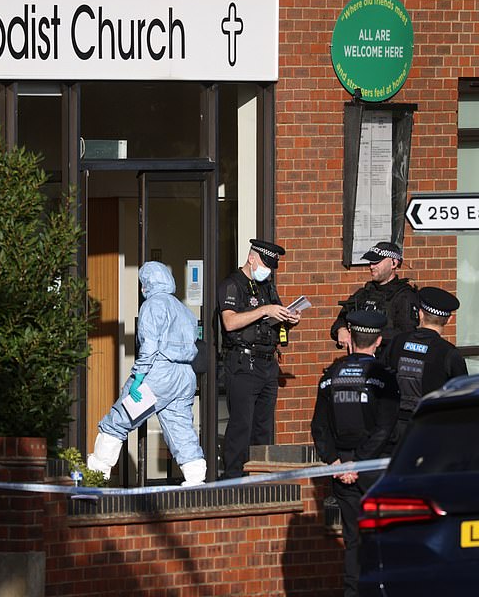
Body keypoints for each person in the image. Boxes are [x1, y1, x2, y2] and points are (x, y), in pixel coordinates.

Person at [87, 261, 207, 486]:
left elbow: (150, 345)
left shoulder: (152, 305)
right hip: (184, 376)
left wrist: (138, 377)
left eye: (143, 284)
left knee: (117, 420)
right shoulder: (183, 309)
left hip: (158, 374)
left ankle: (96, 474)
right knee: (180, 426)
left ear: (147, 284)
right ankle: (196, 478)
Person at [311, 310, 399, 597]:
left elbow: (319, 428)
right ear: (378, 341)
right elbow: (384, 429)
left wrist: (336, 462)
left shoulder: (330, 375)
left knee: (353, 539)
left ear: (351, 339)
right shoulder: (384, 378)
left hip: (341, 469)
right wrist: (358, 463)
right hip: (373, 468)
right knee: (382, 537)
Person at [218, 239, 301, 479]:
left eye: (271, 266)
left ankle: (260, 480)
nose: (267, 269)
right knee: (241, 427)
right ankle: (233, 481)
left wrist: (288, 318)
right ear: (252, 258)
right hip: (244, 364)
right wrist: (265, 310)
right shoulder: (232, 285)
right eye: (265, 263)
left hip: (267, 363)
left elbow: (272, 322)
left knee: (263, 428)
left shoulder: (267, 287)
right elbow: (230, 322)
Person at [382, 286, 467, 449]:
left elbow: (382, 379)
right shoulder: (448, 353)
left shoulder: (397, 342)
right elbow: (462, 398)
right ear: (449, 320)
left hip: (393, 430)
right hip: (430, 430)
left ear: (420, 314)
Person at [331, 241, 419, 354]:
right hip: (360, 362)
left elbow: (407, 334)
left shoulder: (404, 295)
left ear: (393, 263)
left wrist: (367, 335)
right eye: (371, 262)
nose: (371, 266)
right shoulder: (364, 292)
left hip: (387, 363)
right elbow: (341, 319)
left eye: (376, 262)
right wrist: (341, 330)